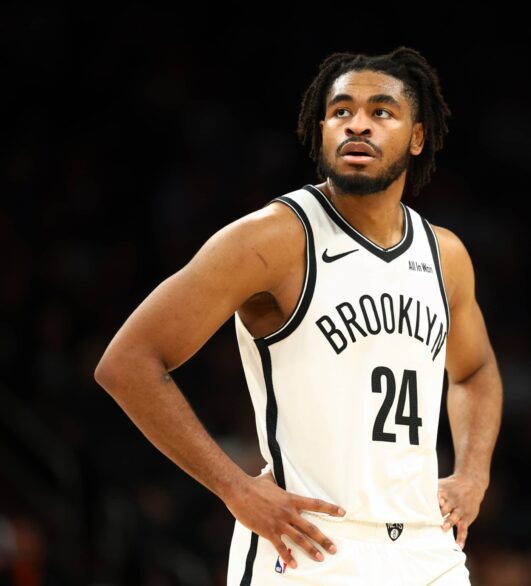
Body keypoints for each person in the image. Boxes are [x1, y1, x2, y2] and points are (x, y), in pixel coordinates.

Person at [94, 46, 503, 585]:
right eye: (341, 111)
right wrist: (235, 488)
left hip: (426, 548)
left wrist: (473, 475)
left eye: (381, 112)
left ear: (418, 137)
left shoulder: (443, 254)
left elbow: (474, 373)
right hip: (309, 546)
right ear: (322, 128)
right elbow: (127, 362)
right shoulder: (274, 238)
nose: (357, 124)